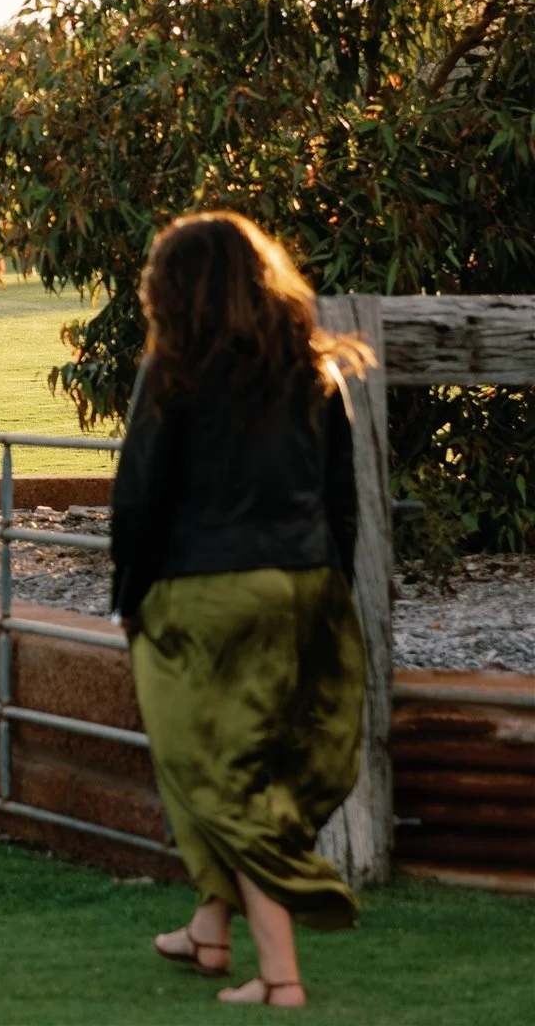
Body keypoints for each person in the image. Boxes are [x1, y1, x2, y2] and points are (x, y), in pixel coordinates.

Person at [112, 211, 372, 1010]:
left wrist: (131, 598)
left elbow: (141, 497)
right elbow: (343, 499)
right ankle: (208, 929)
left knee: (215, 770)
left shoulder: (174, 370)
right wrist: (333, 596)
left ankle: (282, 976)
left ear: (174, 291)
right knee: (253, 752)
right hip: (307, 582)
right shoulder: (311, 367)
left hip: (206, 588)